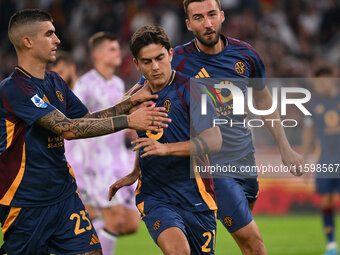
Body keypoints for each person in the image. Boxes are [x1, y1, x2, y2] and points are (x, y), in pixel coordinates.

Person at [0, 9, 170, 255]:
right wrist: (129, 120)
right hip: (26, 202)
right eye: (49, 34)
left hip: (63, 195)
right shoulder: (14, 89)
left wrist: (128, 102)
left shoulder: (55, 82)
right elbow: (67, 129)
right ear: (27, 41)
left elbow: (86, 120)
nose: (57, 40)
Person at [169, 0, 304, 254]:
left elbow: (263, 100)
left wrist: (285, 148)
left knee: (240, 240)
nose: (207, 24)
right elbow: (142, 91)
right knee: (254, 244)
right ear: (188, 24)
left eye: (211, 15)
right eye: (198, 18)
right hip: (211, 166)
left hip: (245, 160)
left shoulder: (246, 55)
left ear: (222, 16)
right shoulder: (175, 60)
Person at [110, 25, 222, 255]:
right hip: (155, 196)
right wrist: (135, 172)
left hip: (197, 196)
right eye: (147, 61)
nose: (155, 67)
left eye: (160, 58)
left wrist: (166, 148)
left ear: (170, 54)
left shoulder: (192, 90)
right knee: (178, 252)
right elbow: (146, 139)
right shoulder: (136, 96)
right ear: (136, 64)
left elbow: (214, 141)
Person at [64, 32, 140, 255]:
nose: (119, 53)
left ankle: (81, 243)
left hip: (120, 161)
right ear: (97, 54)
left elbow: (118, 120)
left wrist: (129, 128)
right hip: (95, 164)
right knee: (115, 219)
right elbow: (73, 123)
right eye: (112, 49)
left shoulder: (118, 84)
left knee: (131, 224)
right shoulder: (85, 85)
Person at [302, 67, 340, 255]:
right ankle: (331, 244)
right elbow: (308, 135)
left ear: (333, 80)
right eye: (318, 81)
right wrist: (303, 160)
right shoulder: (313, 105)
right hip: (325, 160)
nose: (321, 84)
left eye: (324, 80)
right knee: (326, 201)